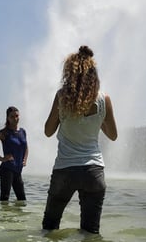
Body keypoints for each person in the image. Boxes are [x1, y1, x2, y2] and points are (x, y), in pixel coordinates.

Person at [42, 45, 118, 234]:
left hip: (65, 170)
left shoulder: (61, 97)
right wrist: (97, 119)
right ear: (93, 72)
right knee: (90, 232)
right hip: (94, 171)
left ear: (69, 72)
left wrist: (63, 115)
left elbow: (48, 131)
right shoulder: (104, 99)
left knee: (50, 227)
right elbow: (113, 135)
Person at [0, 106, 29, 202]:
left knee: (22, 200)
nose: (15, 119)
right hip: (7, 169)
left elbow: (25, 147)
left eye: (17, 116)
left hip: (18, 170)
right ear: (7, 118)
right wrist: (1, 158)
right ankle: (4, 217)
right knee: (5, 199)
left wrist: (25, 160)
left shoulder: (23, 132)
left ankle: (17, 217)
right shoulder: (4, 133)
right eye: (12, 117)